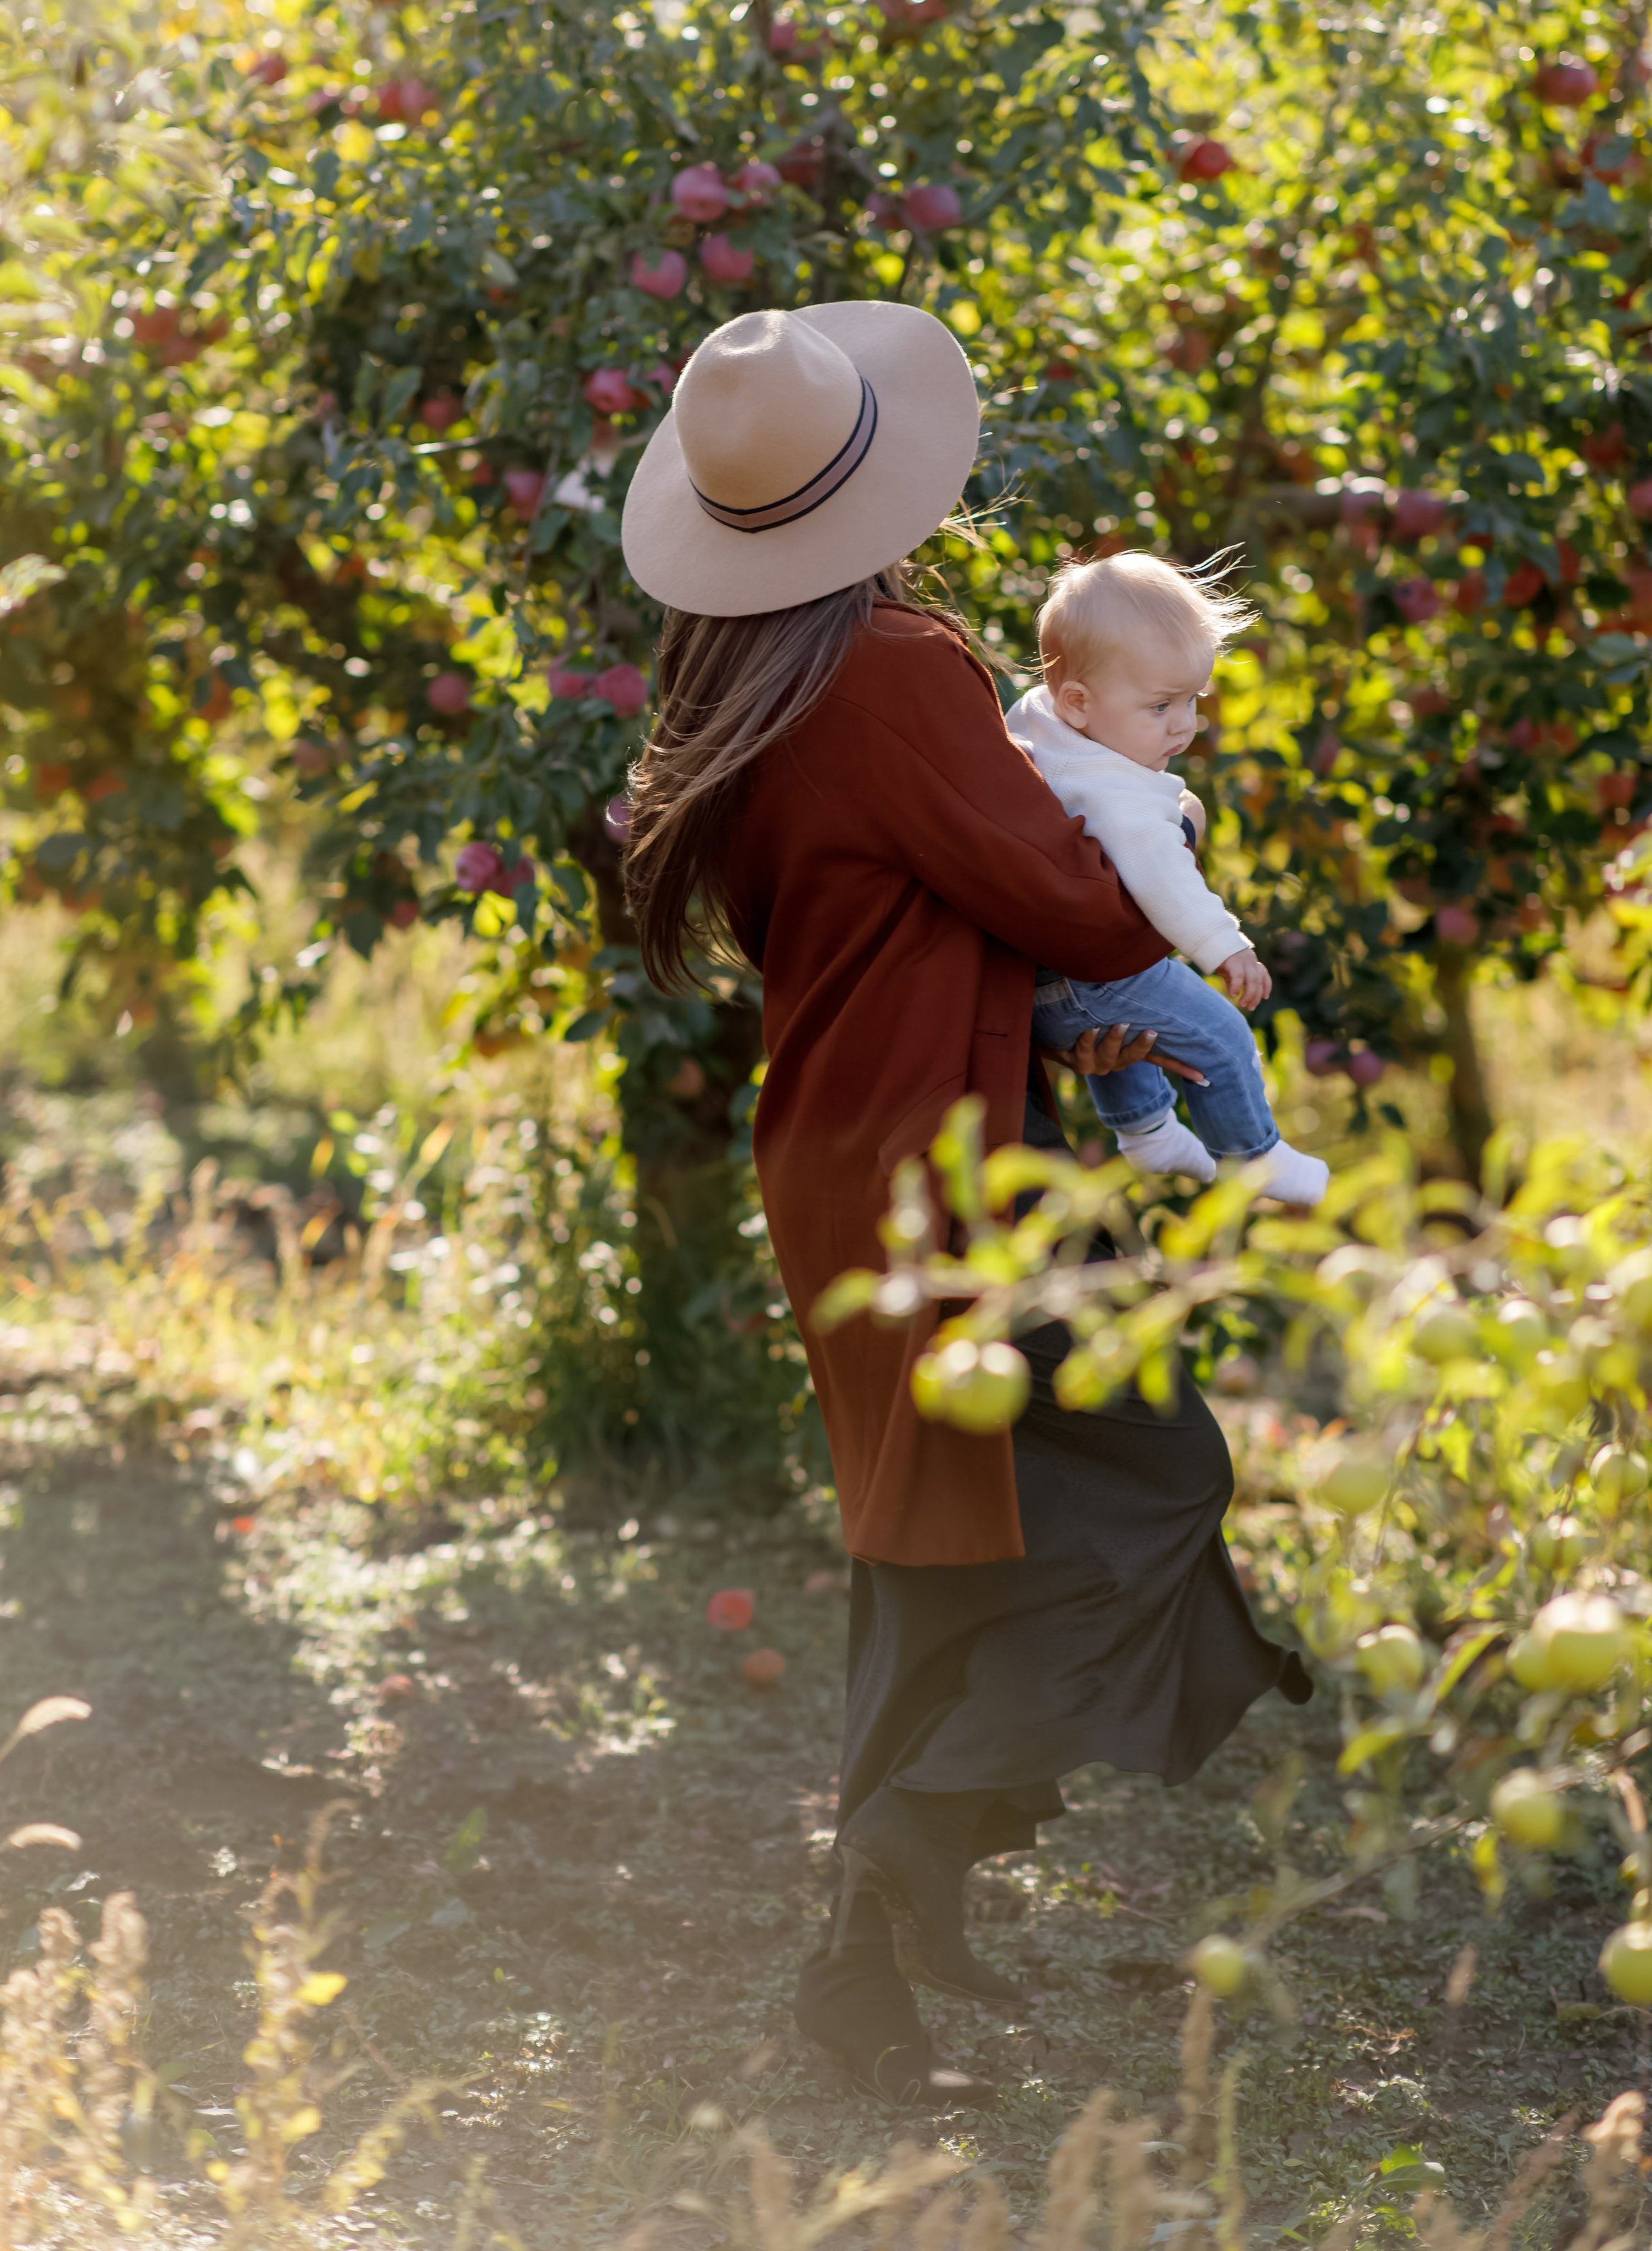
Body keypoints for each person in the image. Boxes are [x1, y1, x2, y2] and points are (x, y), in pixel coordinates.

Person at [619, 303, 1310, 2110]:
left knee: (924, 1547)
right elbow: (1079, 914)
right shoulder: (894, 669)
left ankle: (876, 1958)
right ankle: (901, 1864)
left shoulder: (741, 669)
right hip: (950, 1160)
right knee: (1151, 1467)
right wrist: (1134, 815)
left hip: (850, 1154)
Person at [1006, 549, 1329, 1204]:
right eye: (1160, 707)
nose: (1184, 724)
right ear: (1078, 700)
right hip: (1086, 979)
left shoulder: (1036, 725)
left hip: (1046, 985)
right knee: (1220, 1034)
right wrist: (1225, 944)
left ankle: (1148, 1131)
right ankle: (1252, 1156)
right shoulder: (1114, 792)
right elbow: (1163, 876)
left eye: (1192, 700)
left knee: (1138, 1035)